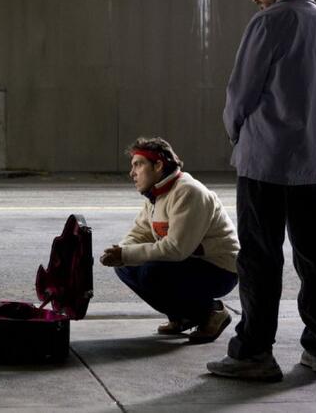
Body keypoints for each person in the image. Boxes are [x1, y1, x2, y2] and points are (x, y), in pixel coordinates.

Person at [208, 0, 316, 381]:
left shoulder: (269, 22)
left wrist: (236, 132)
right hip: (309, 164)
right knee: (314, 259)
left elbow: (241, 91)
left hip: (265, 160)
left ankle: (254, 354)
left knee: (260, 260)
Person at [100, 137, 240, 344]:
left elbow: (176, 249)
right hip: (189, 263)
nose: (132, 173)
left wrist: (126, 254)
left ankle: (212, 313)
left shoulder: (189, 192)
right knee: (125, 267)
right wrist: (119, 252)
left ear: (158, 165)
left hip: (220, 269)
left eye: (138, 165)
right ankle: (182, 317)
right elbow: (141, 233)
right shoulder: (156, 194)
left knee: (152, 272)